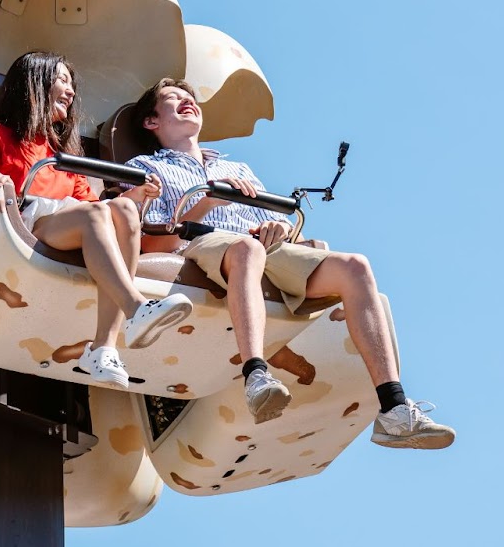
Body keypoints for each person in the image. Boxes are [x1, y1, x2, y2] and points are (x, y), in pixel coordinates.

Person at [125, 76, 455, 448]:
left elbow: (279, 222)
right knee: (246, 250)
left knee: (355, 267)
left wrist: (278, 227)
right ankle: (256, 375)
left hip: (262, 248)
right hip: (201, 244)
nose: (187, 101)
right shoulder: (146, 167)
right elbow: (151, 240)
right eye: (173, 98)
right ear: (151, 121)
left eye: (190, 97)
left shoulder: (239, 170)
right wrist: (208, 202)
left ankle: (393, 409)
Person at [0, 51, 192, 388]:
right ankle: (136, 307)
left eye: (71, 85)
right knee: (97, 214)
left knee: (125, 210)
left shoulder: (63, 156)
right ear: (34, 83)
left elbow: (95, 208)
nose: (70, 92)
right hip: (25, 220)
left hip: (71, 219)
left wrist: (137, 196)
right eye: (62, 81)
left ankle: (104, 347)